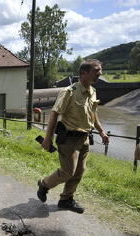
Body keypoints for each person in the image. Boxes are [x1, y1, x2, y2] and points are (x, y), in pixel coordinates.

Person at [37, 59, 109, 213]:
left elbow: (93, 115)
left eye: (100, 70)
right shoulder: (69, 92)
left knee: (79, 171)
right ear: (84, 73)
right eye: (96, 70)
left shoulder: (93, 92)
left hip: (84, 138)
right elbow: (54, 114)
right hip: (68, 139)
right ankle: (44, 184)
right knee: (68, 171)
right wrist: (48, 138)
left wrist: (101, 131)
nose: (100, 73)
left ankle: (66, 200)